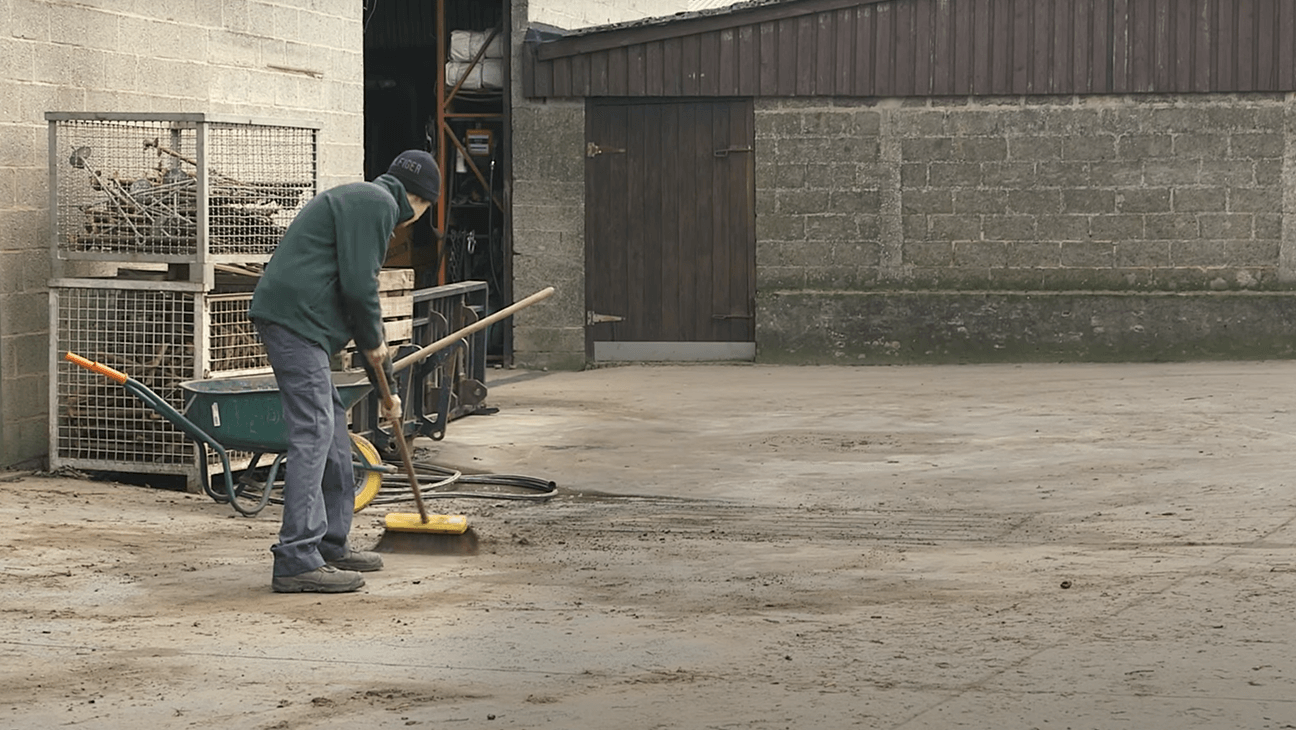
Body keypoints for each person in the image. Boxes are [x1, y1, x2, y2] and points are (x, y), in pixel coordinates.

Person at [249, 149, 440, 593]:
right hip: (295, 324)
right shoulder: (376, 205)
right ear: (420, 202)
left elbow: (356, 299)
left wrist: (385, 383)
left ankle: (330, 544)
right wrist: (375, 347)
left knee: (334, 432)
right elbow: (360, 287)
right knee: (314, 433)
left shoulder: (364, 200)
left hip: (304, 326)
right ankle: (296, 557)